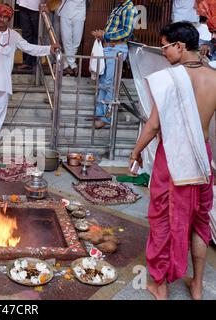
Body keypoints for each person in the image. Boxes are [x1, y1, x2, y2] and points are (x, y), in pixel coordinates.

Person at [130, 22, 216, 300]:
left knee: (163, 219)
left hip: (173, 157)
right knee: (199, 221)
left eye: (165, 47)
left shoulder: (170, 79)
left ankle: (159, 284)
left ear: (179, 46)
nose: (164, 53)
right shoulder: (214, 77)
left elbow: (154, 126)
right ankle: (197, 285)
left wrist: (136, 151)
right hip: (202, 156)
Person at [0, 4, 59, 157]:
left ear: (9, 19)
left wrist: (48, 48)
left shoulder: (14, 36)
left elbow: (29, 48)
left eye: (5, 17)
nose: (2, 19)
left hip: (2, 79)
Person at [91, 0, 137, 129]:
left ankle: (107, 118)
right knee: (103, 82)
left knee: (109, 83)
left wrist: (105, 34)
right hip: (109, 48)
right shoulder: (119, 8)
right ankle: (100, 114)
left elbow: (126, 32)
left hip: (116, 49)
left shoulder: (129, 8)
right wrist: (103, 35)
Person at [57, 0, 87, 77]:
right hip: (65, 11)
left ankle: (66, 64)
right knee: (66, 41)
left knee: (76, 42)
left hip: (80, 12)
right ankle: (73, 65)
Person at [17, 0, 43, 71]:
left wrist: (44, 3)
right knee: (26, 34)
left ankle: (35, 62)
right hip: (23, 4)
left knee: (36, 35)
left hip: (36, 7)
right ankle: (27, 62)